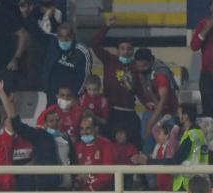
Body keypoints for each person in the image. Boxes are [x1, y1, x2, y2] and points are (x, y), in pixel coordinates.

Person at [0, 80, 78, 193]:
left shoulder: (66, 139)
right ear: (45, 123)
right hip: (47, 190)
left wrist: (77, 179)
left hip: (66, 190)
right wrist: (5, 98)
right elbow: (16, 123)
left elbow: (74, 162)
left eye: (57, 120)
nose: (55, 123)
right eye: (51, 120)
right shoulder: (39, 136)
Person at [134, 103, 208, 193]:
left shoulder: (191, 135)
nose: (177, 116)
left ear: (185, 116)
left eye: (179, 113)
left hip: (187, 184)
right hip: (199, 182)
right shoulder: (199, 134)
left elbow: (175, 161)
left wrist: (148, 162)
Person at [91, 16, 141, 148]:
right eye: (122, 48)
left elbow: (140, 89)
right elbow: (94, 44)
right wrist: (106, 27)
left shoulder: (136, 66)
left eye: (129, 49)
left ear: (133, 51)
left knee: (132, 145)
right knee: (111, 145)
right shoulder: (109, 60)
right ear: (117, 50)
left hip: (129, 112)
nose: (126, 52)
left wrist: (148, 102)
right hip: (112, 112)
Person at [134, 48, 178, 151]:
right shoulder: (140, 70)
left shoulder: (161, 74)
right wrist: (146, 102)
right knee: (147, 143)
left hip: (168, 113)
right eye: (138, 66)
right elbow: (138, 90)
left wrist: (151, 123)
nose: (141, 69)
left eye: (144, 66)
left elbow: (163, 100)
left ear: (151, 61)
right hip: (152, 110)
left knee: (167, 144)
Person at [43, 22, 92, 105]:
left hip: (71, 96)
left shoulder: (82, 51)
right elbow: (47, 67)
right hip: (53, 94)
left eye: (67, 37)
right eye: (61, 37)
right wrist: (46, 87)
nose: (64, 40)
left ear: (73, 36)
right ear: (57, 36)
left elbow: (86, 77)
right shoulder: (52, 44)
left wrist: (76, 95)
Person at [190, 0, 213, 117]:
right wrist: (207, 28)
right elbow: (194, 46)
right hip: (208, 75)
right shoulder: (203, 24)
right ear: (210, 7)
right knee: (208, 112)